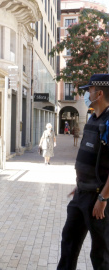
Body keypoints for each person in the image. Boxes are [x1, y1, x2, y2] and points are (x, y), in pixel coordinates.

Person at [57, 74, 109, 270]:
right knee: (68, 243)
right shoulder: (92, 120)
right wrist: (79, 185)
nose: (87, 93)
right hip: (81, 194)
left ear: (100, 93)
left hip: (98, 199)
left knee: (100, 254)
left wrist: (103, 199)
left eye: (90, 90)